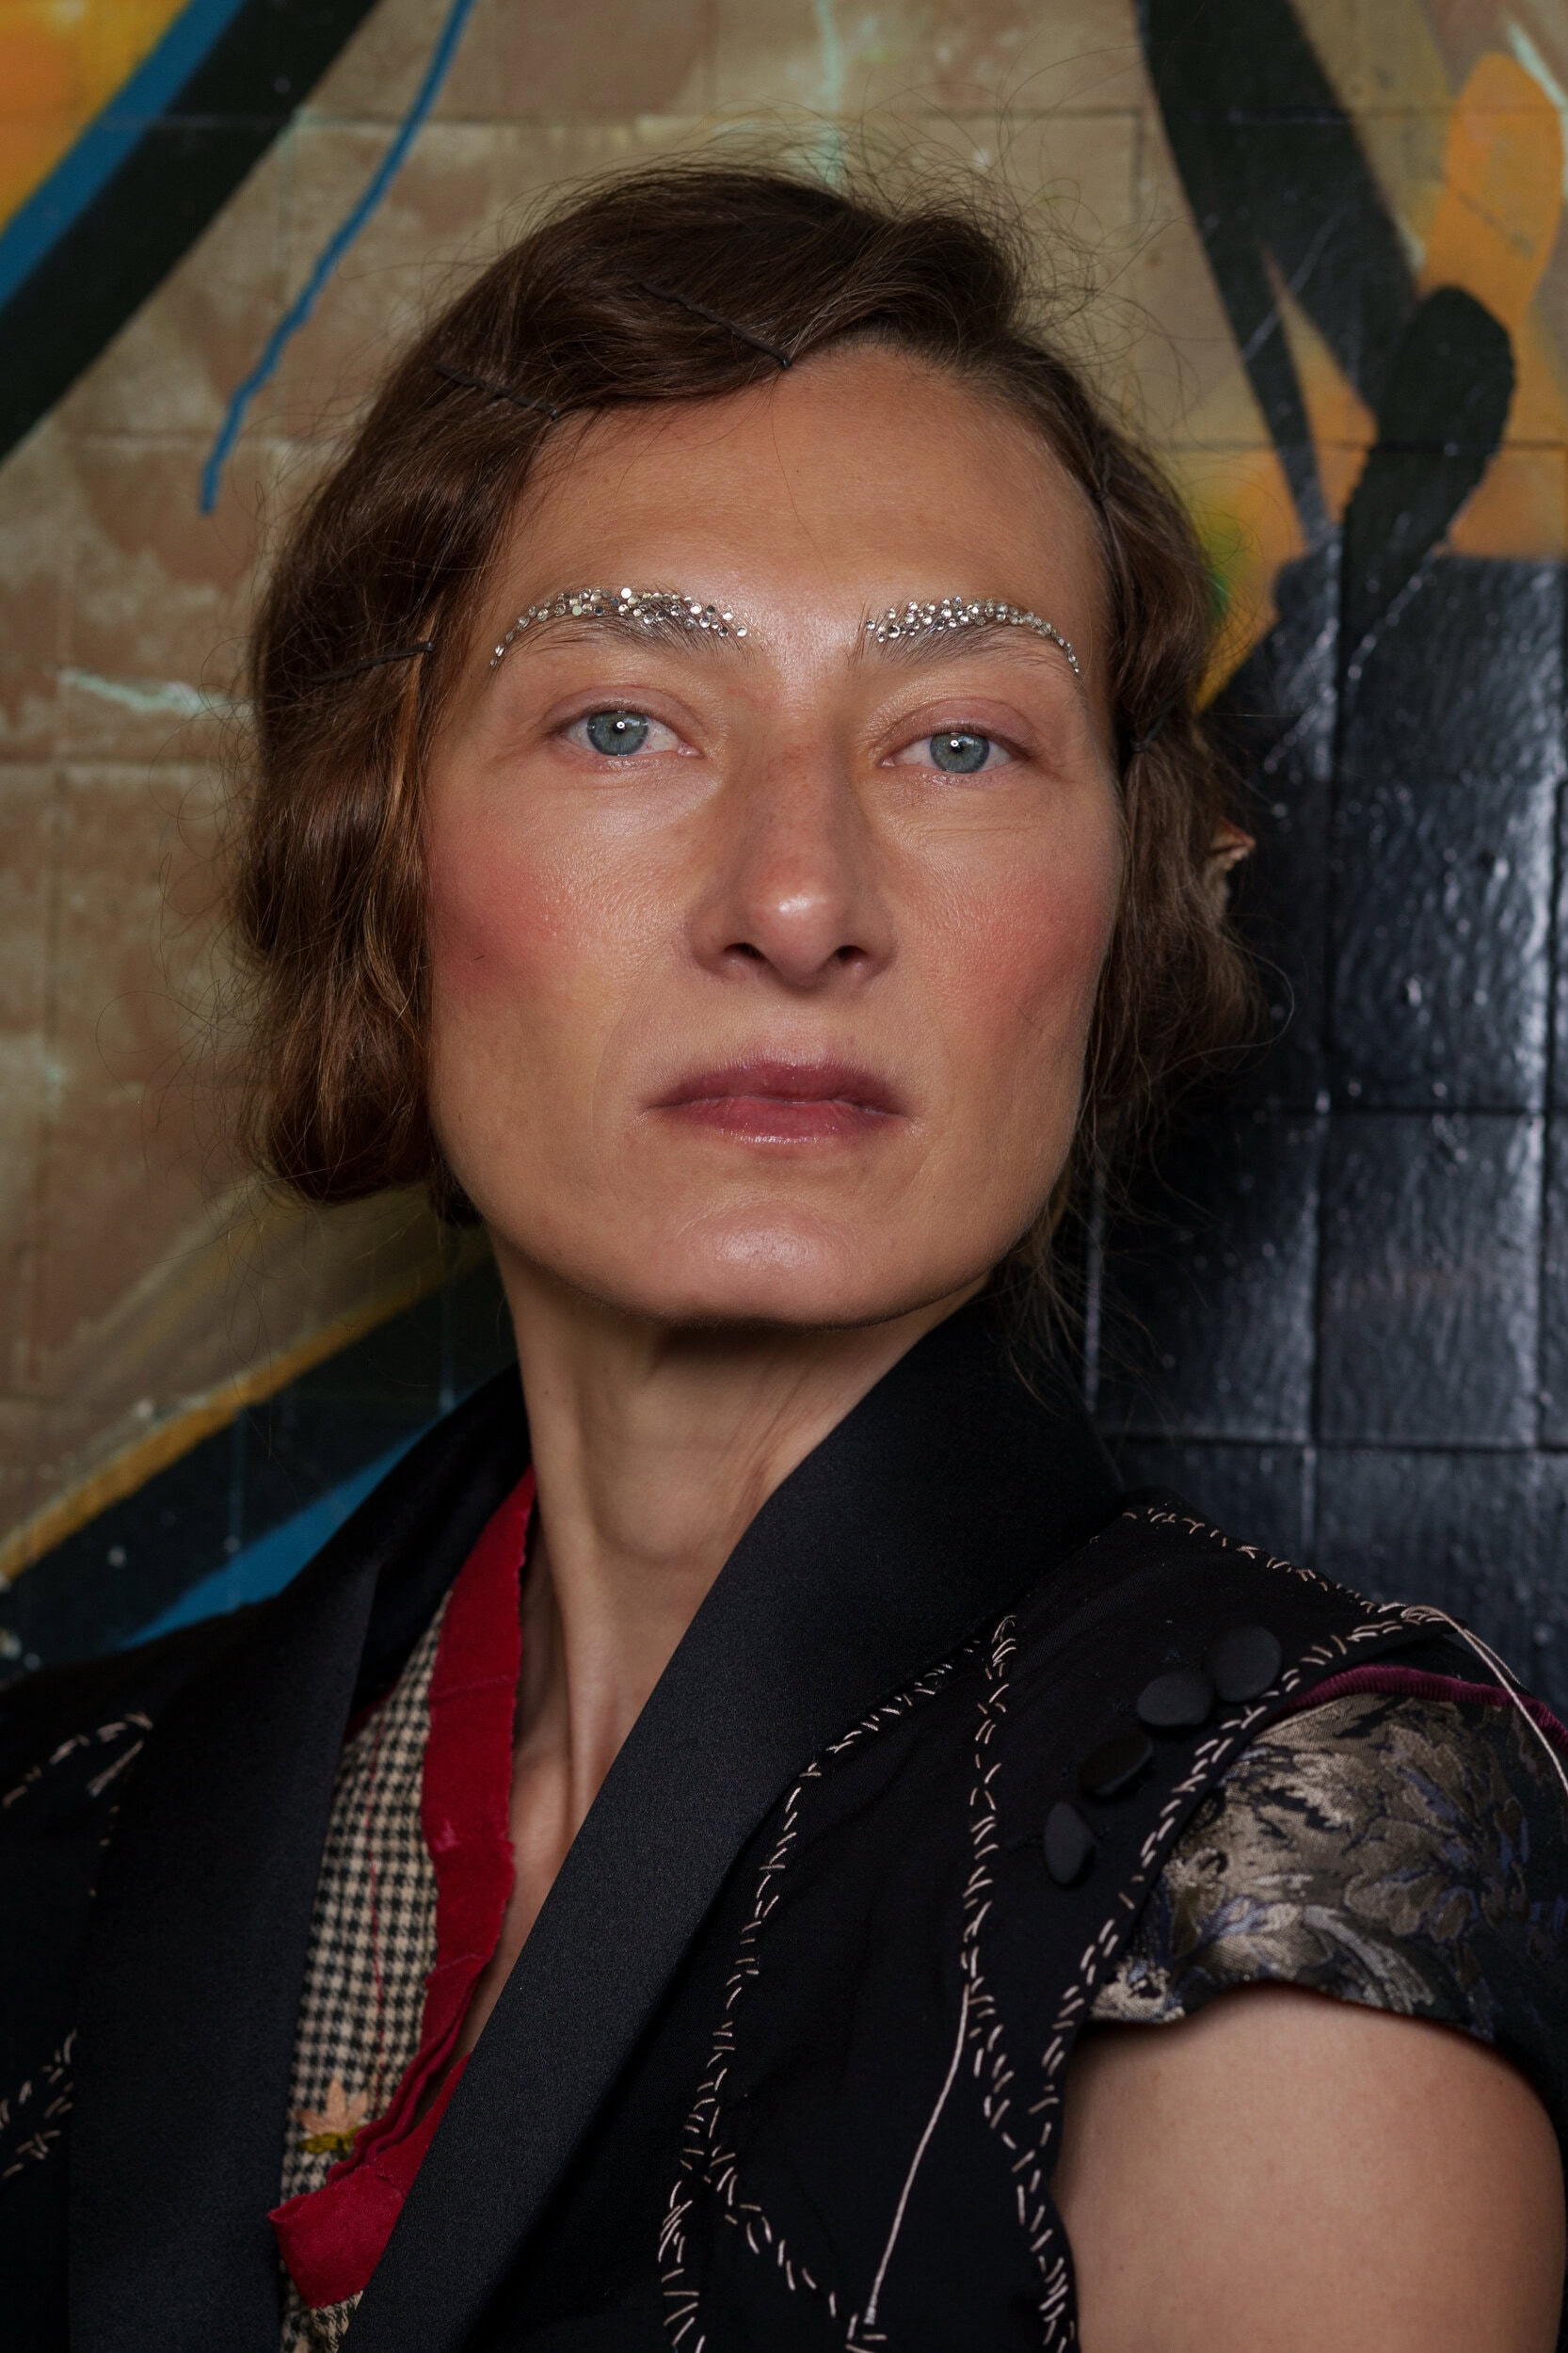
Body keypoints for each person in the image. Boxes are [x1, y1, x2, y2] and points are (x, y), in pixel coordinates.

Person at [2, 163, 1564, 2353]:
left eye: (959, 741)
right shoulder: (54, 1808)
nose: (799, 897)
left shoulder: (1282, 1846)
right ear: (385, 854)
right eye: (621, 719)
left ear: (1117, 912)